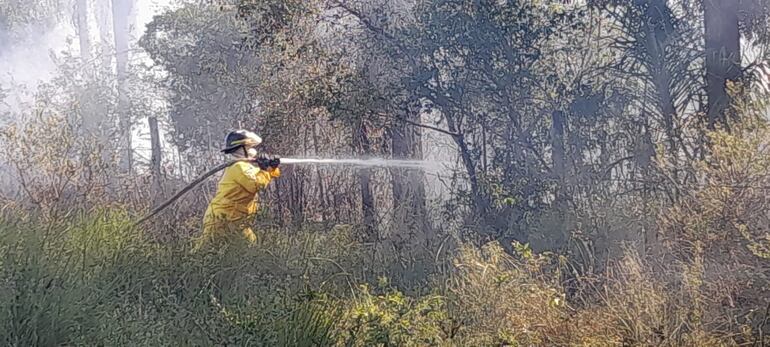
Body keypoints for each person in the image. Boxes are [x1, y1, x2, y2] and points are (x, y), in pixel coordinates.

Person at [194, 130, 281, 252]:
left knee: (250, 249)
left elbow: (259, 177)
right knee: (203, 253)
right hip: (221, 219)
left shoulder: (244, 166)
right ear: (242, 149)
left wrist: (271, 168)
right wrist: (264, 170)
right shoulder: (238, 166)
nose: (253, 151)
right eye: (249, 147)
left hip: (237, 220)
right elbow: (256, 184)